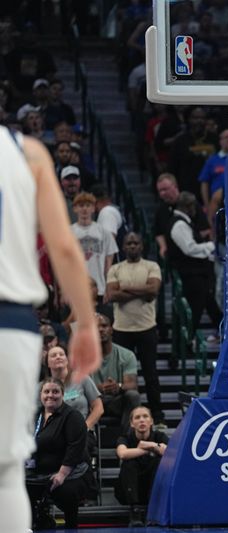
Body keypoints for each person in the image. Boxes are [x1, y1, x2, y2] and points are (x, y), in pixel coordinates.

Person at [1, 127, 100, 531]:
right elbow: (62, 246)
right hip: (11, 325)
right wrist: (87, 324)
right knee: (6, 472)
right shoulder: (28, 151)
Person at [105, 232, 164, 426]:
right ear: (123, 247)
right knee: (124, 378)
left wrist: (125, 290)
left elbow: (154, 290)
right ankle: (128, 419)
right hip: (121, 329)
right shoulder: (115, 268)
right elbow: (112, 295)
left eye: (135, 242)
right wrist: (142, 290)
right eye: (128, 243)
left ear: (141, 246)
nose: (132, 246)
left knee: (150, 374)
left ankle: (157, 415)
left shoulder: (151, 266)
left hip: (146, 327)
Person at [26, 378, 96, 529]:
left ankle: (71, 525)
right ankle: (38, 521)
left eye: (55, 391)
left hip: (72, 472)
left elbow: (75, 448)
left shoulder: (73, 416)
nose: (50, 395)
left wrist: (62, 474)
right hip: (40, 470)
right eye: (46, 391)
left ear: (62, 395)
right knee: (21, 487)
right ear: (41, 395)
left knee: (64, 490)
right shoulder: (35, 416)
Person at [165, 191, 222, 334]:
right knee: (195, 310)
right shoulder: (179, 224)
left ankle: (225, 332)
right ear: (188, 206)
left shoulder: (184, 222)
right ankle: (184, 343)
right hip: (191, 276)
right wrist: (211, 246)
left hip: (198, 274)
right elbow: (189, 249)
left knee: (210, 306)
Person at [115, 406, 168, 525]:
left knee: (159, 463)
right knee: (129, 463)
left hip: (151, 490)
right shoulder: (125, 438)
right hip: (129, 491)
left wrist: (148, 444)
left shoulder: (160, 436)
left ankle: (153, 510)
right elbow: (123, 454)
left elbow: (168, 453)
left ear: (151, 421)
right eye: (137, 417)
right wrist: (151, 449)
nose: (142, 420)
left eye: (145, 416)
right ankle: (135, 512)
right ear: (132, 423)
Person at [92, 313, 142, 429]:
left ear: (111, 329)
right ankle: (87, 441)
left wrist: (118, 386)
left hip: (117, 401)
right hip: (93, 401)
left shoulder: (126, 355)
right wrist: (100, 388)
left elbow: (132, 384)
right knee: (77, 398)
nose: (100, 330)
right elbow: (77, 387)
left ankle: (126, 439)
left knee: (133, 395)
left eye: (104, 326)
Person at [70, 192, 119, 300]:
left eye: (88, 205)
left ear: (93, 208)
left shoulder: (104, 233)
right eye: (81, 205)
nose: (84, 209)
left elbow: (108, 265)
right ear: (75, 209)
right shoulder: (68, 233)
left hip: (99, 289)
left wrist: (108, 287)